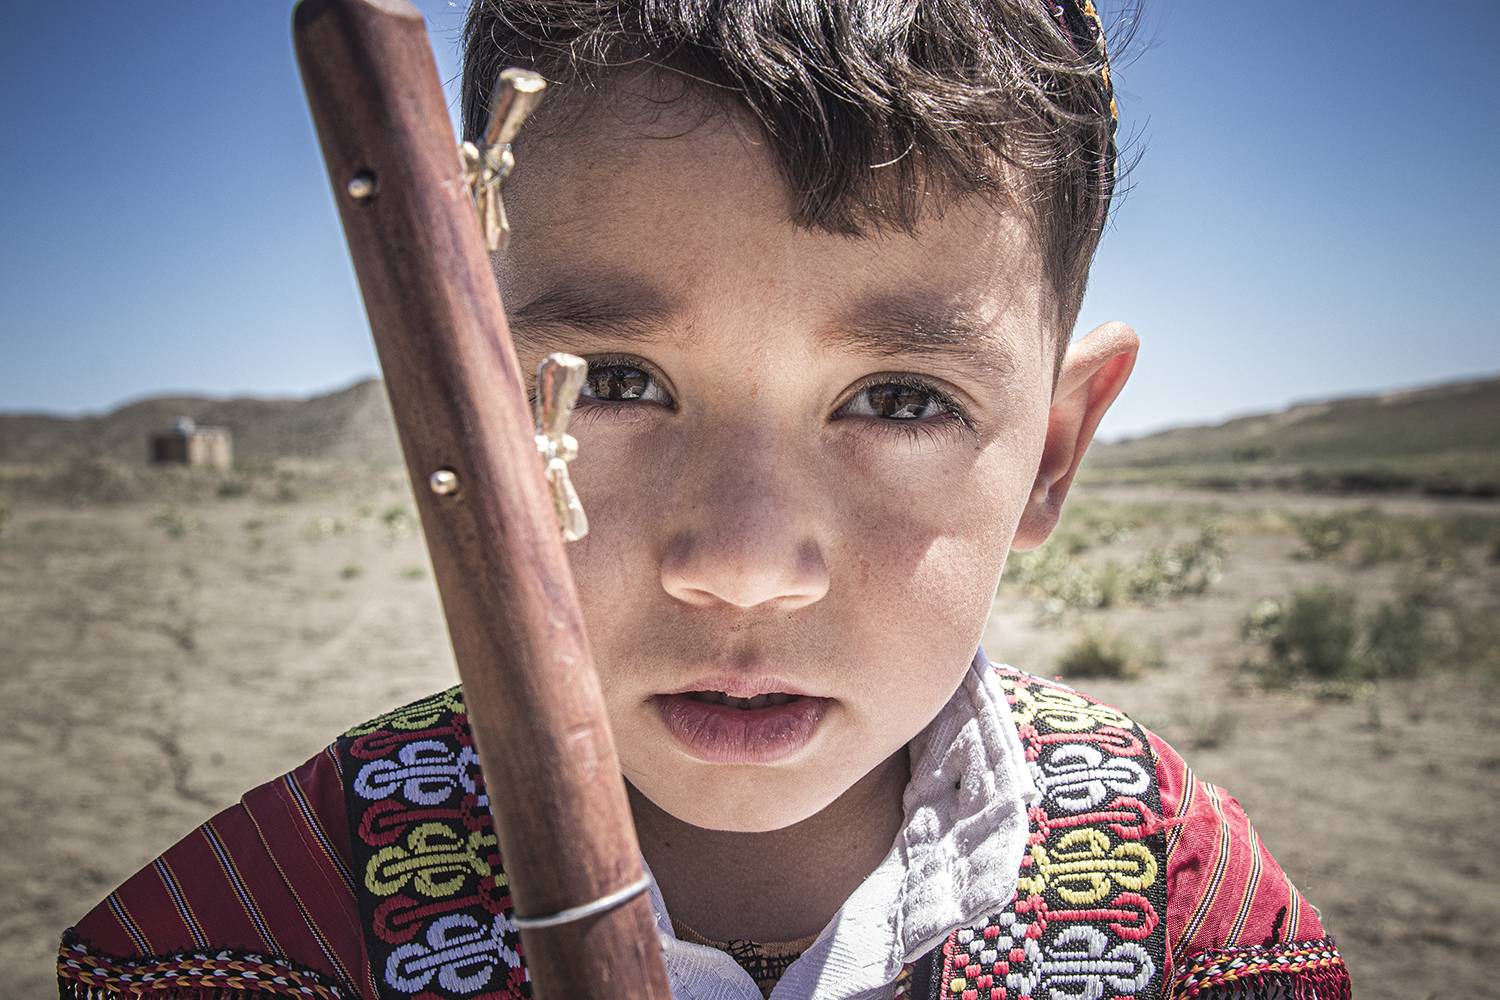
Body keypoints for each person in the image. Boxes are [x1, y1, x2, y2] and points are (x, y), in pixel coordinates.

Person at [58, 1, 1351, 998]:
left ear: (1054, 452)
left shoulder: (1190, 910)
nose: (742, 565)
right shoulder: (251, 930)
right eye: (618, 381)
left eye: (901, 399)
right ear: (466, 400)